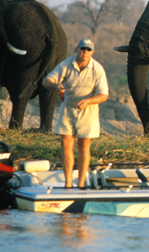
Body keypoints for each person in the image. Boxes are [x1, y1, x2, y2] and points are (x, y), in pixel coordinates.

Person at [43, 38, 109, 188]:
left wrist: (88, 101)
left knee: (84, 146)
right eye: (82, 49)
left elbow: (103, 95)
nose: (85, 52)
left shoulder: (97, 69)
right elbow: (46, 82)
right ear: (76, 49)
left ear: (92, 52)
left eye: (88, 50)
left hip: (88, 110)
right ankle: (68, 184)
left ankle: (80, 184)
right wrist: (56, 86)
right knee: (66, 144)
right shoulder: (66, 64)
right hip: (68, 109)